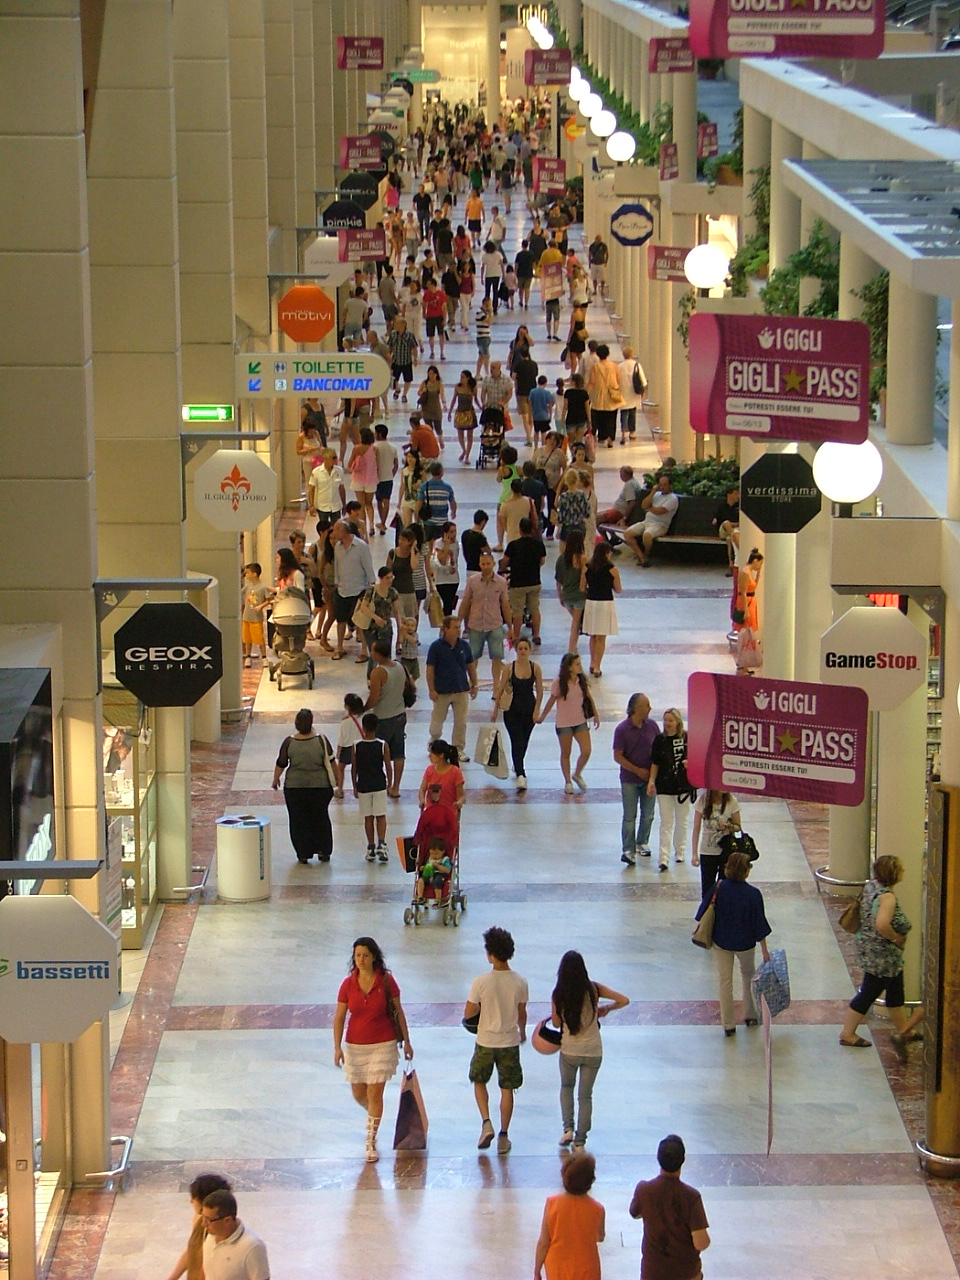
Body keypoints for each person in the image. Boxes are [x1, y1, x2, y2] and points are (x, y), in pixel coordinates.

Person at [334, 937, 413, 1162]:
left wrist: (407, 1041)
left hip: (383, 1043)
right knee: (359, 1093)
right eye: (357, 955)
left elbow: (399, 1011)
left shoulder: (387, 981)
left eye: (365, 955)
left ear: (374, 957)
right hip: (355, 1045)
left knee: (375, 1093)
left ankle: (370, 1140)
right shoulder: (348, 985)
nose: (361, 960)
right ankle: (374, 1114)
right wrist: (337, 1047)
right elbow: (340, 1017)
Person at [840, 854, 925, 1053]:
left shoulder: (870, 887)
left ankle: (904, 1030)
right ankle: (847, 1033)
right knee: (869, 992)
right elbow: (882, 924)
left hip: (876, 951)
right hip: (882, 956)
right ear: (895, 874)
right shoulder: (887, 898)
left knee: (896, 992)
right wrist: (896, 938)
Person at [551, 952, 629, 1152]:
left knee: (566, 1087)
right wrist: (607, 1009)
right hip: (594, 1050)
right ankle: (580, 1141)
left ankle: (568, 1129)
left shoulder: (559, 993)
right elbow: (623, 999)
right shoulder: (594, 989)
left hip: (569, 1050)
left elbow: (556, 1023)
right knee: (585, 1096)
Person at [464, 925, 528, 1155]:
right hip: (509, 1041)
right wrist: (521, 1032)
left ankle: (486, 1123)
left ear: (490, 954)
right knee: (507, 1089)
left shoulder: (481, 982)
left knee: (479, 1081)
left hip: (485, 1041)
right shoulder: (520, 982)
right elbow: (522, 1014)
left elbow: (469, 1012)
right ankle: (504, 1135)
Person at [695, 851, 772, 1035]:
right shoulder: (753, 894)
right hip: (745, 943)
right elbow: (759, 923)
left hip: (721, 942)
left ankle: (728, 1024)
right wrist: (765, 949)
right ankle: (750, 1014)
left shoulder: (718, 887)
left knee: (725, 981)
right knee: (748, 977)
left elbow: (701, 913)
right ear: (746, 871)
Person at [629, 1135, 710, 1280]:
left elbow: (635, 1214)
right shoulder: (691, 1197)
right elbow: (701, 1243)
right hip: (685, 1273)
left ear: (658, 1158)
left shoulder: (644, 1190)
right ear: (682, 1160)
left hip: (652, 1273)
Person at [271, 708, 335, 864]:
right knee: (320, 818)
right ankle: (324, 850)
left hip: (294, 788)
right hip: (320, 787)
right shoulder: (322, 741)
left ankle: (303, 852)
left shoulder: (289, 742)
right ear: (312, 723)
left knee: (298, 820)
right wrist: (338, 782)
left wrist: (275, 779)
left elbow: (281, 762)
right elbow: (332, 762)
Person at [534, 1154, 605, 1280]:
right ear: (591, 1180)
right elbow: (600, 1237)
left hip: (557, 1267)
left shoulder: (552, 1204)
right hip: (587, 1267)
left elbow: (543, 1243)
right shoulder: (598, 1209)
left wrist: (537, 1271)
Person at [538, 653, 600, 795]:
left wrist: (595, 714)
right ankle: (567, 781)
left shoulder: (581, 681)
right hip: (564, 723)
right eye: (577, 664)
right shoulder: (559, 683)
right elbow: (551, 701)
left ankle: (577, 773)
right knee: (566, 753)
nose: (580, 666)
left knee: (586, 750)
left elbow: (588, 698)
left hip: (580, 721)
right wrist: (542, 716)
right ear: (569, 667)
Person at [490, 634, 542, 790]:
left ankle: (518, 762)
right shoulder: (509, 668)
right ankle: (521, 773)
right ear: (516, 650)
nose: (523, 651)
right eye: (520, 648)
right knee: (516, 741)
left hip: (529, 709)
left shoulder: (535, 668)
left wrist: (537, 710)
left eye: (526, 648)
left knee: (524, 741)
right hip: (512, 711)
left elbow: (539, 691)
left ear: (530, 650)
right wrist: (495, 710)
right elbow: (500, 689)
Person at [613, 694, 659, 866]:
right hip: (629, 780)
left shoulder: (652, 726)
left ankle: (642, 842)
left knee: (648, 815)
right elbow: (617, 756)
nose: (650, 708)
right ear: (637, 708)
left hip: (650, 779)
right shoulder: (622, 730)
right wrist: (636, 770)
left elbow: (658, 749)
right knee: (629, 816)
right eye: (647, 705)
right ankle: (628, 849)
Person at [647, 709, 694, 873]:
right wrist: (651, 781)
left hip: (683, 786)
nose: (667, 723)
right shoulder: (659, 740)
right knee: (666, 822)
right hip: (665, 786)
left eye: (671, 720)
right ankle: (663, 857)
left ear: (678, 722)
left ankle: (680, 851)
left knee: (682, 820)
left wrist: (691, 766)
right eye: (665, 720)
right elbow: (655, 763)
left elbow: (698, 758)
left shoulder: (687, 738)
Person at [458, 550, 511, 693]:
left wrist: (510, 626)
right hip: (475, 624)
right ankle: (472, 684)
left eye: (488, 563)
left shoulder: (501, 582)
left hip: (495, 624)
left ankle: (496, 687)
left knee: (497, 657)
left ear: (493, 564)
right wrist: (458, 621)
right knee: (473, 657)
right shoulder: (473, 581)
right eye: (483, 564)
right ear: (479, 564)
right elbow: (465, 602)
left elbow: (505, 604)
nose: (486, 566)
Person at [426, 617, 479, 759]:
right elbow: (430, 669)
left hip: (461, 689)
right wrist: (431, 689)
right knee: (437, 720)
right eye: (455, 627)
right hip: (442, 691)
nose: (458, 630)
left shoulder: (464, 646)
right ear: (445, 629)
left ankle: (458, 749)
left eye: (459, 627)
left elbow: (470, 665)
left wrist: (475, 684)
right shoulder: (436, 647)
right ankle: (434, 743)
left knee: (461, 721)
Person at [165, 1171, 232, 1280]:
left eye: (194, 1198)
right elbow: (192, 1251)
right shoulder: (198, 1219)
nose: (191, 1201)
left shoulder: (222, 1232)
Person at [365, 639, 407, 797]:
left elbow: (374, 697)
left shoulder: (378, 672)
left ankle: (381, 785)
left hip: (383, 717)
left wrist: (363, 709)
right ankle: (395, 787)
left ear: (378, 654)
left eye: (373, 650)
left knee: (379, 752)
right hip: (400, 714)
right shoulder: (399, 666)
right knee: (398, 753)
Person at [200, 1189, 270, 1280]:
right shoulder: (210, 1234)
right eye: (203, 1217)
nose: (203, 1224)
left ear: (227, 1220)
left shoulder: (252, 1247)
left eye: (208, 1220)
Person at [333, 521, 374, 660]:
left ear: (343, 532)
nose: (334, 534)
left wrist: (371, 585)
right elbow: (337, 566)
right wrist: (336, 582)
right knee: (340, 620)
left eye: (336, 531)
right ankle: (339, 647)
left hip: (359, 589)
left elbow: (368, 566)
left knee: (360, 622)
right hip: (342, 589)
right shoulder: (337, 547)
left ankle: (364, 650)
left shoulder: (361, 546)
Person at [353, 712, 391, 863]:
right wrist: (390, 783)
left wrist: (355, 786)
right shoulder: (382, 745)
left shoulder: (356, 746)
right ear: (377, 727)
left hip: (363, 785)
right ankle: (382, 844)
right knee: (381, 816)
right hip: (379, 784)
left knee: (368, 817)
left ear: (363, 727)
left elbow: (354, 768)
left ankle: (370, 847)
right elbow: (388, 766)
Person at [502, 517, 546, 646]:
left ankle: (516, 635)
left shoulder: (513, 545)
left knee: (517, 611)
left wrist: (505, 568)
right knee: (535, 609)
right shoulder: (538, 544)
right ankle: (536, 635)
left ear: (520, 530)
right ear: (532, 529)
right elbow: (542, 561)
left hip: (518, 583)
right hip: (534, 581)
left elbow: (504, 561)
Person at [691, 789, 742, 899]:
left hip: (726, 851)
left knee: (725, 887)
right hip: (707, 851)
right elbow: (696, 829)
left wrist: (728, 826)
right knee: (707, 887)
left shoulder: (731, 801)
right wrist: (694, 853)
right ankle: (707, 913)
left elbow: (738, 826)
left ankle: (722, 912)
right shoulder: (702, 801)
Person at [581, 542, 620, 678]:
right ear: (606, 553)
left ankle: (592, 662)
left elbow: (582, 587)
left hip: (591, 602)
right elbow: (618, 589)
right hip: (605, 603)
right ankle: (598, 666)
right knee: (601, 637)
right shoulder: (612, 569)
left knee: (593, 635)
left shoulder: (587, 568)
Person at [623, 474, 679, 567]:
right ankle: (641, 557)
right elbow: (643, 504)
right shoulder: (656, 495)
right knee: (627, 533)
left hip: (660, 525)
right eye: (660, 485)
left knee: (647, 535)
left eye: (665, 485)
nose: (662, 487)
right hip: (647, 522)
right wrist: (653, 492)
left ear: (670, 485)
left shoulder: (673, 498)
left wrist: (648, 508)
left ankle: (646, 554)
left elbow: (660, 511)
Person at [554, 529, 587, 653]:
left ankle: (573, 646)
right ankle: (571, 648)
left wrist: (560, 596)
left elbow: (558, 580)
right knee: (576, 624)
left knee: (576, 621)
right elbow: (584, 577)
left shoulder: (561, 559)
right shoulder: (582, 559)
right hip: (579, 595)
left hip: (566, 596)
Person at [586, 344, 622, 449]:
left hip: (598, 395)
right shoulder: (614, 365)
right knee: (611, 417)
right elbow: (619, 379)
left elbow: (592, 382)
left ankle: (602, 436)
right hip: (611, 395)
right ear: (608, 354)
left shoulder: (596, 367)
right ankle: (611, 438)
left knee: (599, 416)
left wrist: (587, 392)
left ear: (598, 354)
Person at [347, 425, 379, 539]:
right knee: (369, 504)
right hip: (371, 479)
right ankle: (372, 525)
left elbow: (350, 464)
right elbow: (377, 465)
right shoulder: (374, 449)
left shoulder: (357, 449)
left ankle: (363, 528)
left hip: (358, 479)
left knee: (360, 505)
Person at [418, 737, 466, 810]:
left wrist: (459, 802)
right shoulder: (429, 770)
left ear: (441, 755)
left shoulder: (455, 772)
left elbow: (461, 795)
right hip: (431, 812)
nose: (430, 756)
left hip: (449, 813)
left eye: (432, 753)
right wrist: (422, 800)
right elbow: (422, 789)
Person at [334, 692, 364, 799]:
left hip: (347, 748)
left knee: (340, 768)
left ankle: (340, 789)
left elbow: (342, 739)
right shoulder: (363, 718)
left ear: (347, 707)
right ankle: (356, 789)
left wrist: (338, 751)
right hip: (360, 747)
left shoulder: (345, 722)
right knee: (356, 769)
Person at [241, 563, 269, 668]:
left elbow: (268, 600)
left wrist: (260, 606)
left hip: (256, 618)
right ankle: (248, 656)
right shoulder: (248, 586)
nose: (246, 575)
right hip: (246, 616)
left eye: (247, 572)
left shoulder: (263, 587)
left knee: (259, 638)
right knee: (247, 638)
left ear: (254, 574)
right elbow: (240, 593)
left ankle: (264, 657)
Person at [617, 346, 646, 445]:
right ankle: (632, 432)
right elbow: (643, 381)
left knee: (624, 413)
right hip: (634, 393)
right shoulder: (636, 365)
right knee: (632, 413)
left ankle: (623, 433)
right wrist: (643, 391)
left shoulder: (619, 366)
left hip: (623, 392)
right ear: (632, 354)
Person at [388, 316, 421, 403]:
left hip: (406, 361)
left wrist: (415, 358)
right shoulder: (393, 334)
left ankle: (404, 394)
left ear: (403, 325)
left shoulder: (409, 335)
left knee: (408, 379)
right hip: (396, 360)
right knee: (393, 378)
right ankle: (397, 389)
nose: (395, 325)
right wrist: (388, 356)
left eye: (397, 323)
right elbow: (390, 346)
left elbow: (414, 347)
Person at [373, 424, 399, 535]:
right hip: (388, 478)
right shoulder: (392, 447)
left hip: (377, 478)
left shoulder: (374, 447)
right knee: (386, 500)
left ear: (378, 434)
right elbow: (396, 464)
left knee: (378, 500)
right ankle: (383, 522)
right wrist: (392, 474)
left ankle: (381, 521)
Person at [307, 449, 346, 522]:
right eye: (333, 458)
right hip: (322, 506)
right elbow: (311, 490)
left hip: (336, 506)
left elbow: (341, 489)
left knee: (336, 529)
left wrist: (344, 504)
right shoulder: (316, 472)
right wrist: (311, 505)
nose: (335, 460)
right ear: (326, 458)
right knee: (324, 529)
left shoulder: (339, 471)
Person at [450, 369, 480, 462]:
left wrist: (480, 407)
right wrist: (450, 411)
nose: (461, 379)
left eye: (463, 377)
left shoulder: (473, 387)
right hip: (460, 412)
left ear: (468, 378)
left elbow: (475, 399)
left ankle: (467, 455)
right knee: (460, 434)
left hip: (469, 413)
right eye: (460, 377)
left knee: (470, 436)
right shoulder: (457, 387)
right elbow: (454, 399)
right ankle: (464, 450)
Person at [415, 835, 453, 907]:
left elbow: (447, 870)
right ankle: (420, 897)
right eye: (432, 853)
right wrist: (423, 868)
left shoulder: (445, 859)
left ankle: (438, 900)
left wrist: (438, 866)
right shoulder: (430, 859)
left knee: (437, 882)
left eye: (436, 854)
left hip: (440, 875)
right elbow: (426, 866)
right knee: (421, 880)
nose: (434, 856)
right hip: (429, 875)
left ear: (443, 851)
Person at [433, 520, 461, 614]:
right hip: (442, 579)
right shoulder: (438, 544)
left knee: (450, 604)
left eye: (455, 531)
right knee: (447, 603)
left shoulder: (456, 543)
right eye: (451, 532)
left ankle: (448, 622)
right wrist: (447, 544)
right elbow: (442, 561)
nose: (454, 534)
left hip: (454, 578)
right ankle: (446, 624)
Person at [713, 485, 740, 571]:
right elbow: (719, 521)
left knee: (729, 539)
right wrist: (733, 524)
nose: (738, 496)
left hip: (735, 530)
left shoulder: (739, 507)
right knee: (726, 523)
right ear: (729, 494)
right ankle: (738, 543)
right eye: (736, 493)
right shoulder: (722, 507)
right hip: (724, 529)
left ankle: (731, 565)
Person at [462, 509, 490, 576]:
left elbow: (464, 552)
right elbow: (488, 551)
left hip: (469, 568)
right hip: (479, 570)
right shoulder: (480, 537)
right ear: (483, 522)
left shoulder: (465, 534)